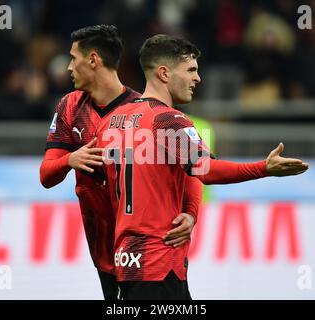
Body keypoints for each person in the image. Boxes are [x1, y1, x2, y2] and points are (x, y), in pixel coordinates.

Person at [96, 34, 308, 300]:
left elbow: (102, 193)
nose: (198, 78)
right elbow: (205, 169)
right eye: (191, 70)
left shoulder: (110, 122)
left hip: (126, 260)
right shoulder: (168, 120)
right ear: (164, 73)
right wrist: (263, 168)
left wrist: (191, 212)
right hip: (159, 259)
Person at [39, 26, 201, 300]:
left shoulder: (145, 111)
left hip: (145, 242)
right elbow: (46, 176)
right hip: (101, 239)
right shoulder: (68, 107)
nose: (68, 67)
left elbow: (192, 168)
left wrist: (191, 212)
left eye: (72, 58)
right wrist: (70, 159)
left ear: (92, 60)